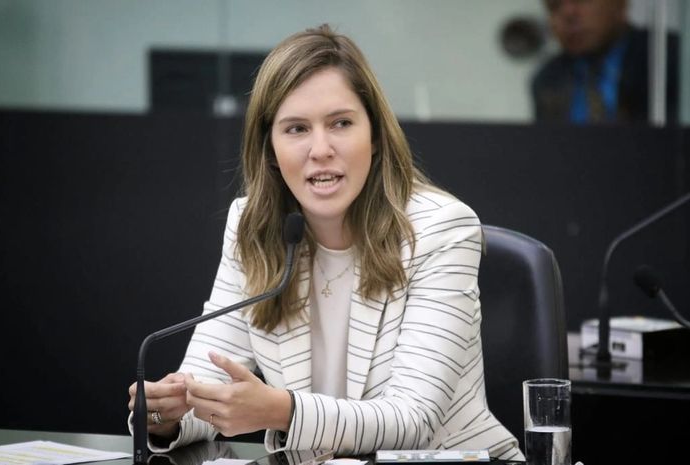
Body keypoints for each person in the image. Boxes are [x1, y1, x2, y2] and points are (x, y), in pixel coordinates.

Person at [127, 24, 523, 460]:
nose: (320, 149)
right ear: (270, 149)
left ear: (375, 135)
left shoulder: (441, 228)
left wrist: (282, 411)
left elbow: (414, 419)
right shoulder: (254, 226)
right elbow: (210, 385)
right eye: (296, 128)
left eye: (340, 123)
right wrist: (168, 415)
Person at [531, 0, 678, 123]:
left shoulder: (669, 58)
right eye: (554, 5)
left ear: (620, 5)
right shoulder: (547, 80)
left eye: (581, 1)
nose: (568, 14)